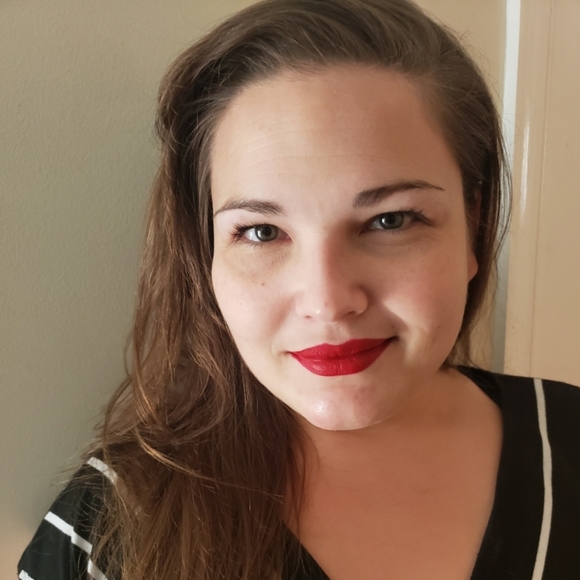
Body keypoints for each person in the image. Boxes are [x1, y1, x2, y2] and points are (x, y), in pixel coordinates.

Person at [17, 0, 580, 579]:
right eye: (262, 231)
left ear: (474, 227)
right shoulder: (105, 530)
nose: (327, 302)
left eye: (390, 220)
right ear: (205, 253)